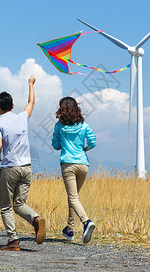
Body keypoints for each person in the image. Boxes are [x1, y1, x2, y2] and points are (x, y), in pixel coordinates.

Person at [0, 75, 46, 251]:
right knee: (20, 204)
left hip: (10, 168)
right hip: (27, 168)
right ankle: (36, 219)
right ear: (13, 105)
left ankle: (13, 241)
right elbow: (31, 102)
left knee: (6, 206)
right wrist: (30, 84)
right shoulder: (22, 117)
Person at [52, 97, 97, 244]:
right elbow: (93, 142)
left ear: (62, 109)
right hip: (83, 164)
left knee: (72, 197)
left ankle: (86, 222)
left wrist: (64, 144)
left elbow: (56, 145)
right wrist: (84, 149)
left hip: (68, 164)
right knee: (74, 196)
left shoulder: (59, 126)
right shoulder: (84, 125)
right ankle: (69, 229)